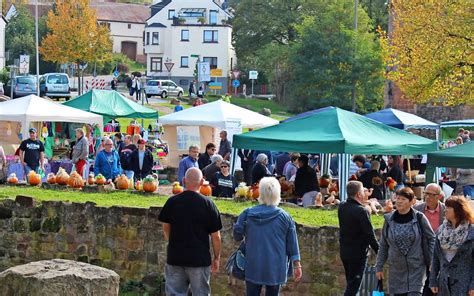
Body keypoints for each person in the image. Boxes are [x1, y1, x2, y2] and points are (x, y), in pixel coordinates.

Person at [158, 167, 222, 295]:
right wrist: (217, 257)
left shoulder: (172, 202)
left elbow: (166, 227)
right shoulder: (208, 204)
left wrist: (172, 242)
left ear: (183, 180)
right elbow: (216, 236)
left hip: (175, 257)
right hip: (199, 259)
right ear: (202, 181)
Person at [233, 177, 302, 296]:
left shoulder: (247, 214)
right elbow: (292, 245)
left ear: (261, 192)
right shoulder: (285, 217)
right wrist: (297, 265)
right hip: (276, 267)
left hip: (253, 265)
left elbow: (237, 236)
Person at [375, 187, 435, 296]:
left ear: (412, 202)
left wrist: (431, 261)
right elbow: (384, 245)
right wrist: (379, 266)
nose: (399, 201)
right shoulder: (389, 220)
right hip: (396, 270)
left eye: (403, 199)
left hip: (417, 268)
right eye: (397, 198)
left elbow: (432, 239)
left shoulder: (419, 218)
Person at [338, 181, 379, 296]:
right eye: (362, 191)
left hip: (345, 252)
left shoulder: (342, 207)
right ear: (358, 194)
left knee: (350, 283)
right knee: (353, 287)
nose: (364, 193)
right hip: (358, 253)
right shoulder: (361, 211)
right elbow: (369, 234)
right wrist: (379, 251)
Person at [429, 196, 474, 296]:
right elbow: (435, 258)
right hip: (444, 282)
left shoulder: (471, 232)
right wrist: (433, 281)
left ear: (458, 210)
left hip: (464, 283)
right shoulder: (441, 231)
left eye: (449, 207)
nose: (445, 210)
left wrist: (473, 285)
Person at [413, 183, 446, 296]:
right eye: (426, 193)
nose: (427, 197)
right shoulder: (416, 210)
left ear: (439, 196)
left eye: (431, 195)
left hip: (439, 254)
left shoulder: (446, 211)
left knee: (435, 286)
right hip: (420, 253)